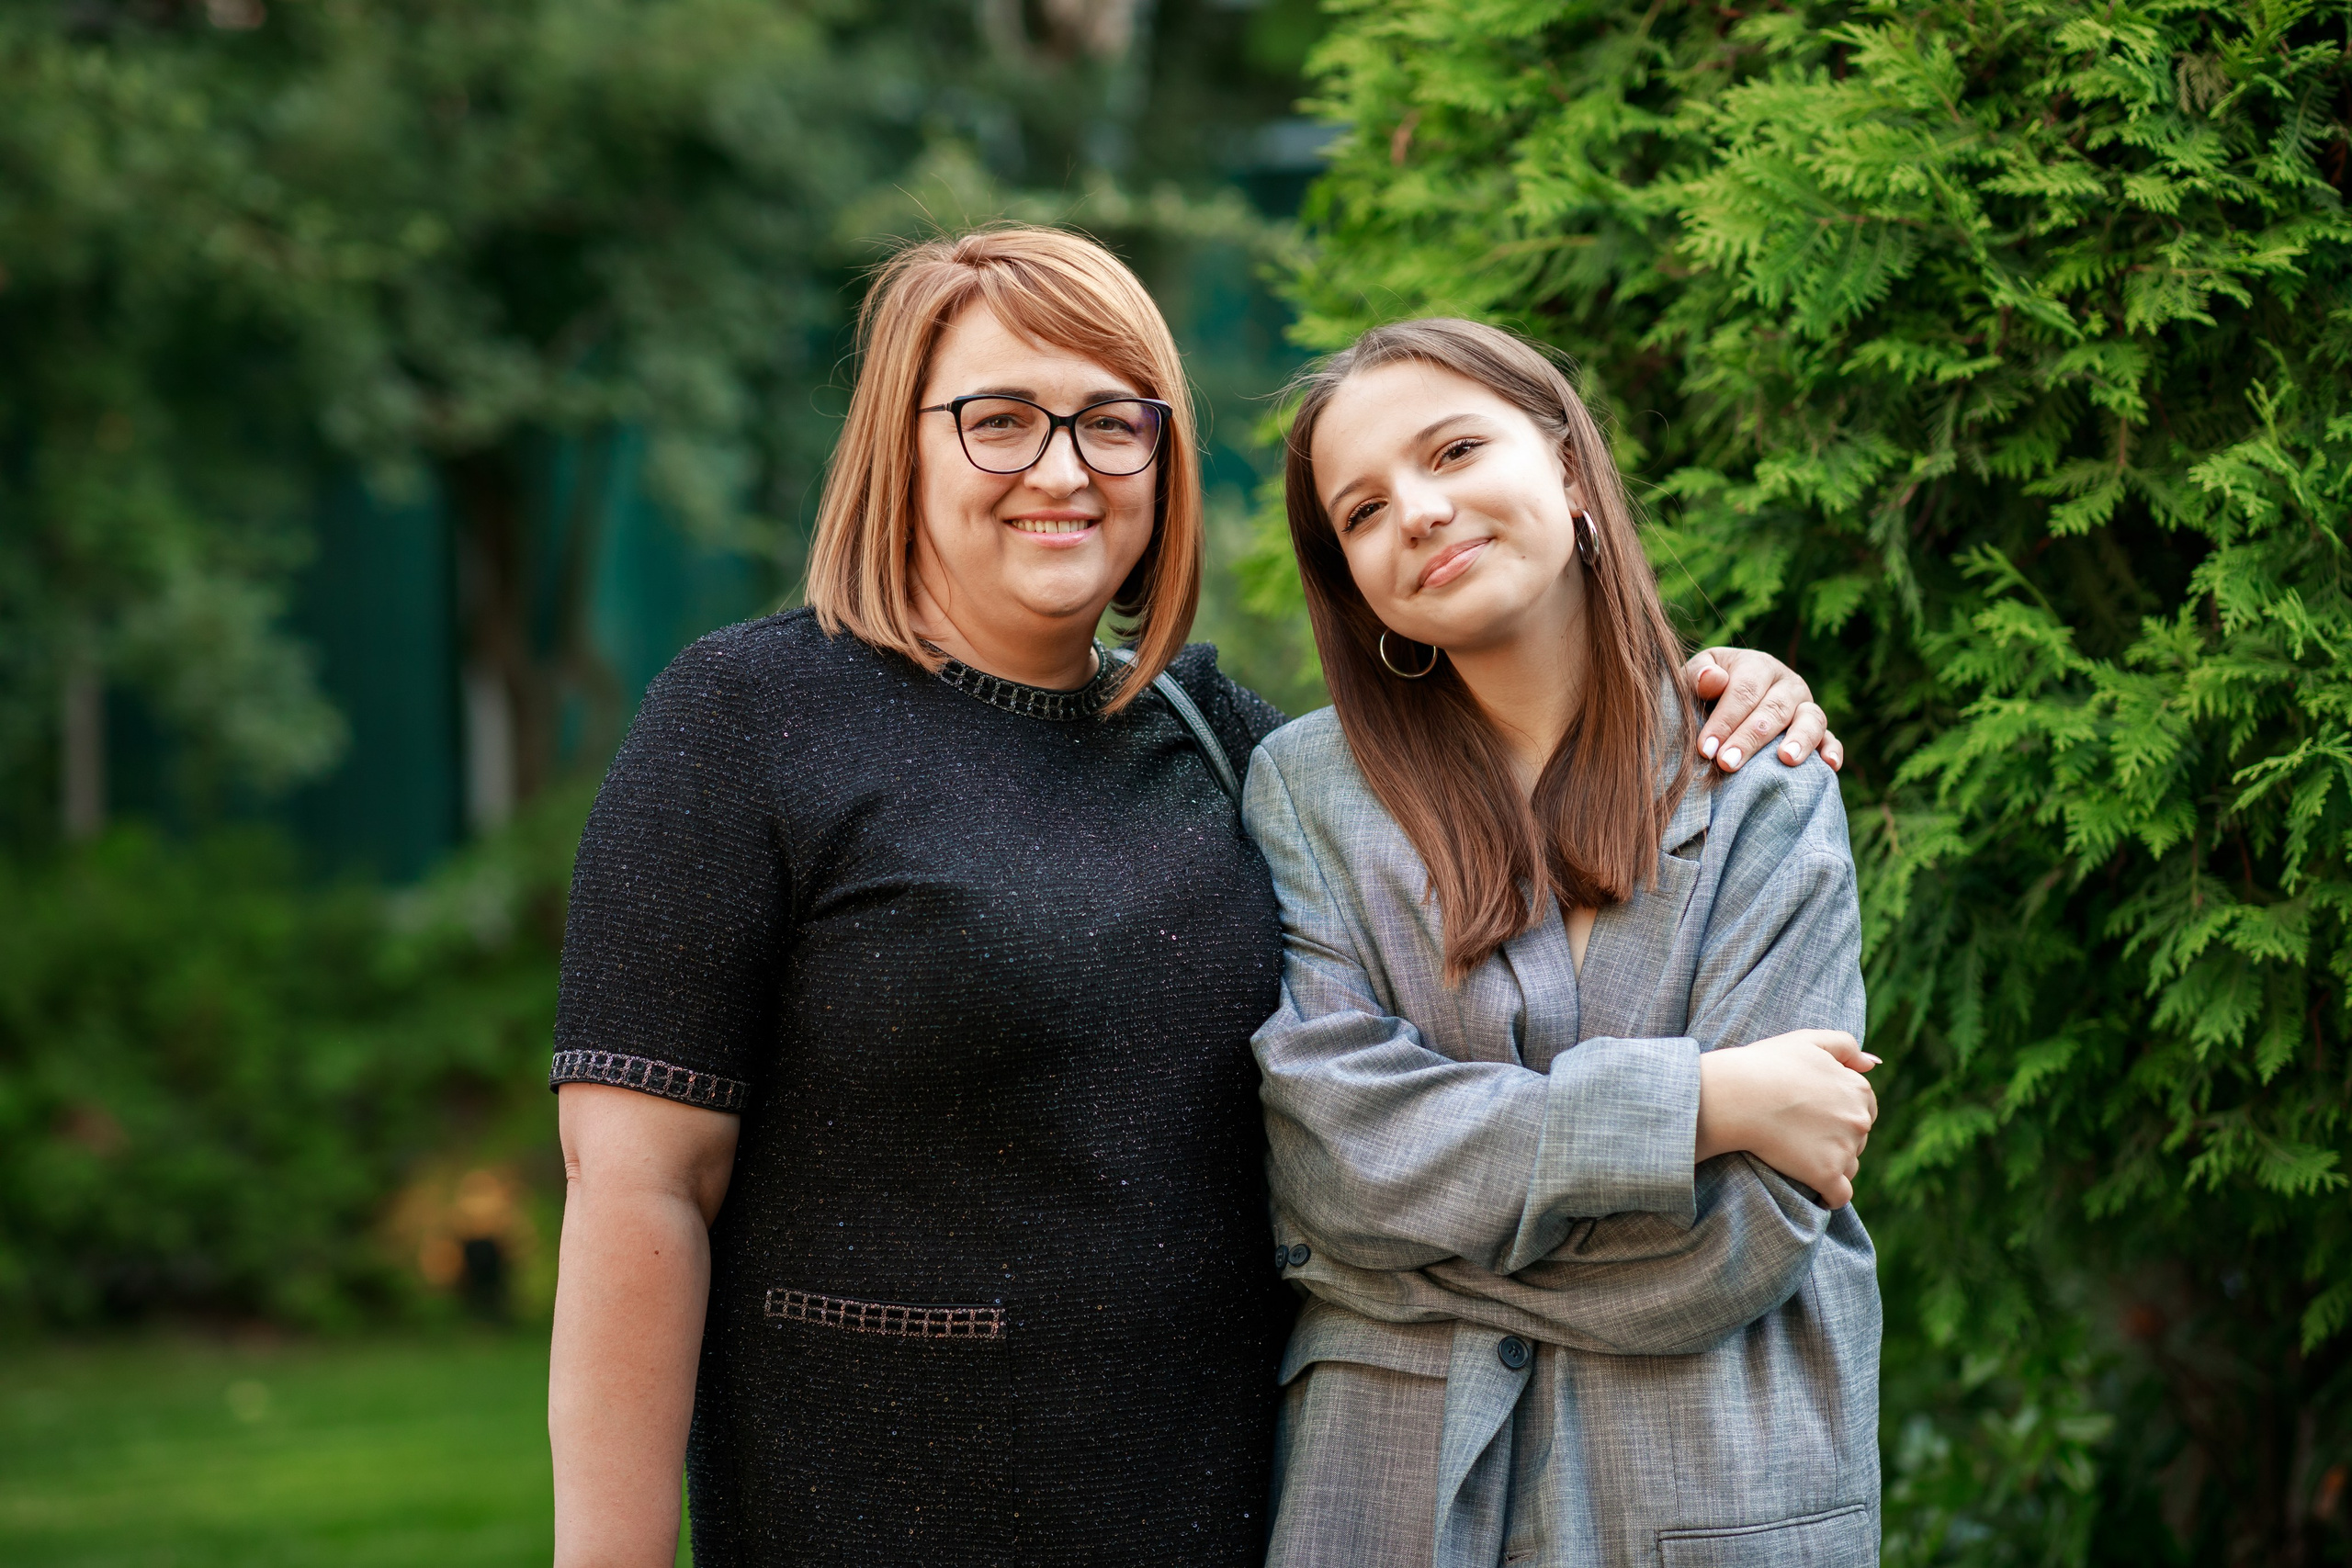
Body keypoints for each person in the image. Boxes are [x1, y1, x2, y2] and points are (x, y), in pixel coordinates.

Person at [544, 227, 1839, 1568]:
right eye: (999, 421)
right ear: (900, 445)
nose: (1063, 469)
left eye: (1115, 424)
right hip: (879, 1502)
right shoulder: (749, 718)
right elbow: (638, 1186)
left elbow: (1492, 743)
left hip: (1218, 1504)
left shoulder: (1224, 741)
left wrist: (1716, 693)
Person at [1248, 318, 1882, 1567]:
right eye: (1362, 511)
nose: (1417, 513)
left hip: (1709, 1484)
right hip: (1388, 1495)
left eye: (1454, 451)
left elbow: (1748, 1232)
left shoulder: (1759, 779)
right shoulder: (1306, 793)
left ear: (1570, 472)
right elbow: (1332, 1158)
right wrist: (1701, 1102)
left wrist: (1410, 1266)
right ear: (1354, 580)